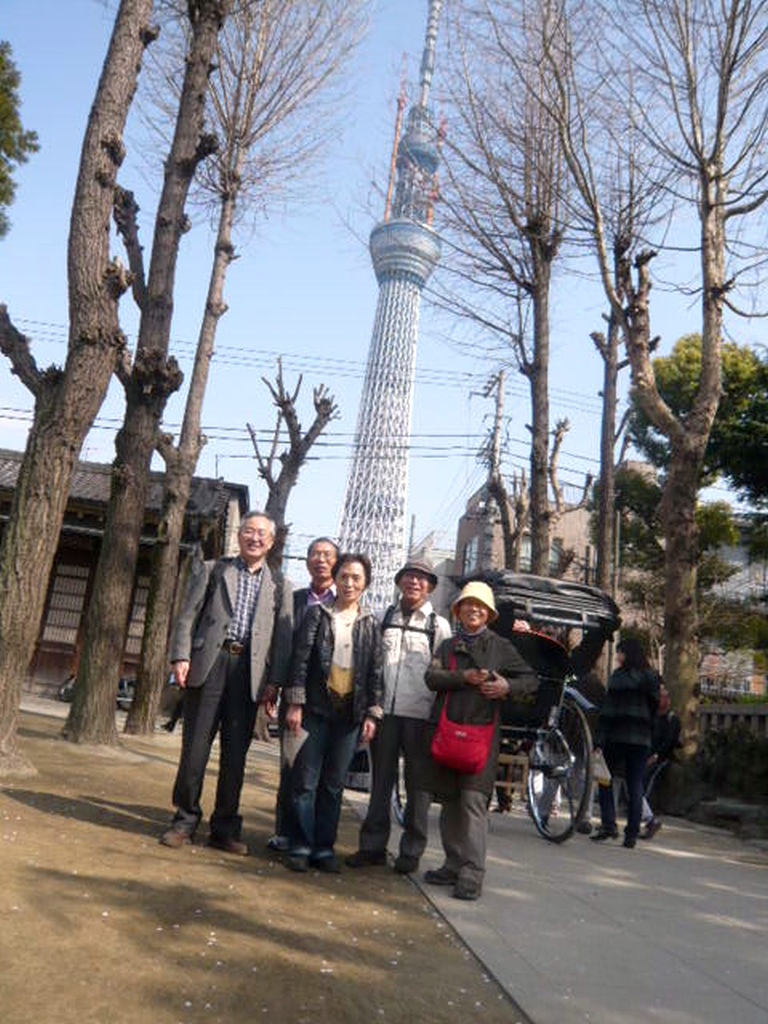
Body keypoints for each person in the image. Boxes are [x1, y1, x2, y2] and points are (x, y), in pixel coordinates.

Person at [160, 511, 293, 855]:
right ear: (239, 535)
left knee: (236, 756)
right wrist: (180, 656)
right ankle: (184, 820)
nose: (255, 538)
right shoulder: (212, 569)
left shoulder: (280, 585)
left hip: (249, 673)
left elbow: (282, 641)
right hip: (209, 662)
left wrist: (275, 683)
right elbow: (187, 615)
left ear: (272, 542)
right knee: (194, 751)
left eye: (262, 534)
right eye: (249, 531)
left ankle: (224, 828)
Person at [423, 581, 538, 901]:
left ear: (488, 614)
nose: (473, 609)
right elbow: (431, 678)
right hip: (447, 734)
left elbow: (530, 680)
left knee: (473, 804)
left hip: (482, 737)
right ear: (458, 610)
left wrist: (506, 687)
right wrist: (463, 677)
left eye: (480, 606)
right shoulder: (447, 646)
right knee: (448, 802)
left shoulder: (500, 646)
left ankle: (472, 873)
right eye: (467, 604)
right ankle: (452, 863)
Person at [346, 559, 452, 874]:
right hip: (384, 714)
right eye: (409, 577)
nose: (414, 583)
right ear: (399, 582)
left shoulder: (439, 625)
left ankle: (411, 851)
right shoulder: (383, 617)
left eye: (421, 579)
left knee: (418, 787)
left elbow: (445, 675)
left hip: (421, 716)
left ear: (430, 586)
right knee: (380, 782)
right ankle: (372, 847)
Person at [283, 553, 384, 873]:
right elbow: (300, 660)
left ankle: (324, 848)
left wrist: (373, 714)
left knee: (333, 785)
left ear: (366, 583)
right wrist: (295, 703)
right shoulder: (318, 614)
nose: (349, 582)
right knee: (304, 782)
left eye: (356, 577)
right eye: (344, 576)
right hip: (314, 708)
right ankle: (300, 844)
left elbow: (375, 673)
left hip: (350, 714)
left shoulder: (370, 623)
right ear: (335, 579)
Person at [266, 537, 339, 853]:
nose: (320, 560)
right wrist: (275, 685)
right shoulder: (294, 600)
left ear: (337, 562)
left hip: (333, 702)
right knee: (290, 766)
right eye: (315, 554)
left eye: (327, 555)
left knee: (324, 775)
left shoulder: (346, 603)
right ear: (307, 561)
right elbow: (279, 645)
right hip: (296, 696)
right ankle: (285, 831)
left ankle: (315, 839)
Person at [591, 637, 660, 849]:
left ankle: (609, 824)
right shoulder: (651, 678)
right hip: (641, 738)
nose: (618, 656)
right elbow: (655, 708)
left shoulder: (618, 678)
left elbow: (608, 713)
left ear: (626, 654)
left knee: (604, 779)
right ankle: (631, 834)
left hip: (617, 736)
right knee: (635, 784)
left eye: (620, 652)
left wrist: (599, 740)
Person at [639, 683, 681, 839]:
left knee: (644, 782)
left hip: (662, 758)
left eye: (664, 697)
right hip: (646, 754)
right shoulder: (653, 717)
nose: (661, 700)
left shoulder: (672, 719)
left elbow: (669, 742)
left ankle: (646, 819)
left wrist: (655, 756)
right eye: (659, 697)